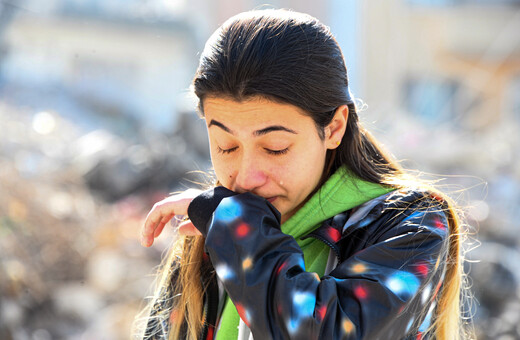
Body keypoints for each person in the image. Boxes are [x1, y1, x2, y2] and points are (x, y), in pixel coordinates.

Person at [134, 9, 473, 340]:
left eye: (276, 147)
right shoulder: (216, 230)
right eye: (226, 146)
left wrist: (238, 230)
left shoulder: (411, 225)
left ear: (334, 128)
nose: (247, 177)